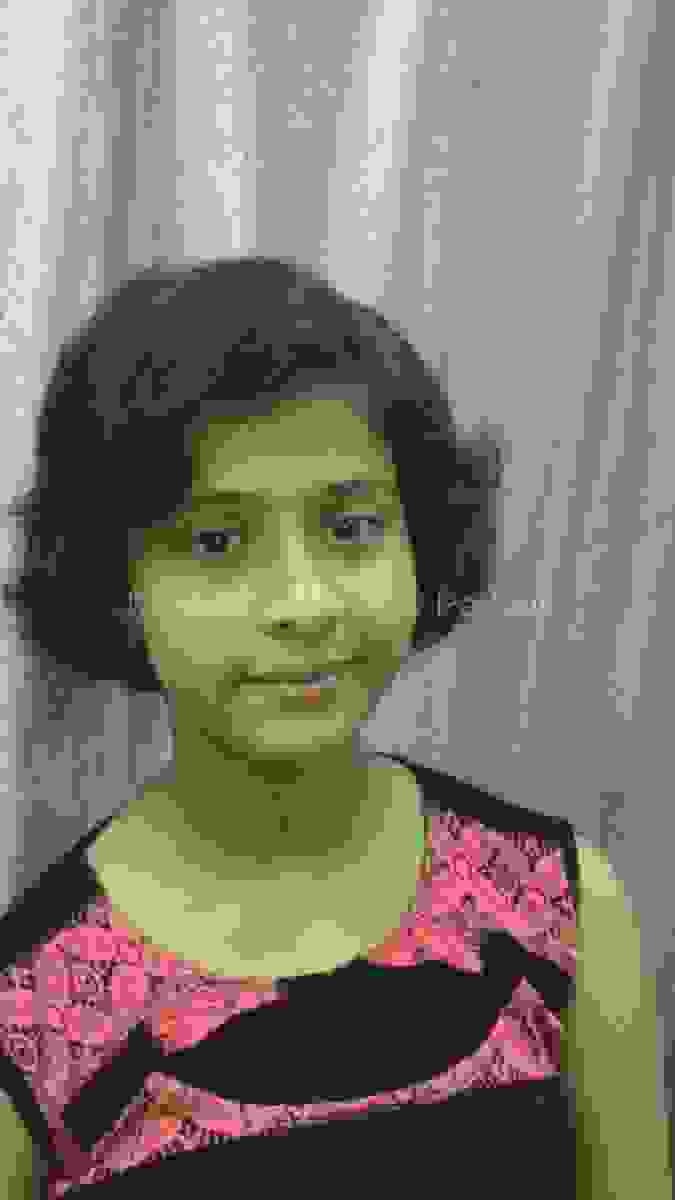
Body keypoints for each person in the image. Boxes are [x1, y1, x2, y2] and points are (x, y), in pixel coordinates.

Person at [0, 257, 669, 1197]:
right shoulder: (35, 1005)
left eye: (349, 528)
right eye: (216, 542)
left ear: (420, 548)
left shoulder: (557, 909)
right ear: (119, 586)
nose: (302, 603)